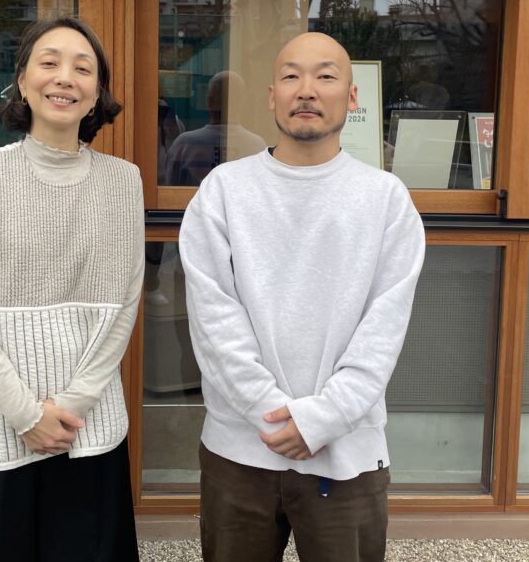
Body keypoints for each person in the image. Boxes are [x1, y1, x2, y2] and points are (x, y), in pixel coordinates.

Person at [180, 32, 425, 562]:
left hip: (346, 453)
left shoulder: (386, 199)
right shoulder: (223, 191)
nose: (307, 89)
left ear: (352, 97)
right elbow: (212, 317)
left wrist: (321, 420)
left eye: (325, 76)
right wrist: (271, 414)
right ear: (272, 96)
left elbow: (383, 329)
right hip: (239, 451)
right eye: (291, 76)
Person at [0, 17, 143, 561]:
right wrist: (27, 415)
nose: (65, 77)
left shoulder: (123, 182)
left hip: (88, 425)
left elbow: (123, 306)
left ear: (97, 94)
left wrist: (69, 406)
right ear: (23, 82)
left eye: (83, 68)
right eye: (49, 63)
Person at [164, 70, 267, 186]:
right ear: (243, 102)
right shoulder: (257, 145)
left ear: (209, 101)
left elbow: (170, 190)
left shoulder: (184, 144)